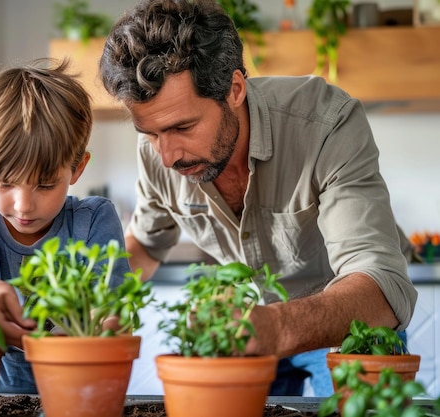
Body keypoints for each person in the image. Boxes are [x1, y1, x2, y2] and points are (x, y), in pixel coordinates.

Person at [99, 0, 418, 396]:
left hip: (340, 321)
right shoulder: (159, 154)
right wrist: (100, 301)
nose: (167, 156)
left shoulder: (326, 123)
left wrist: (275, 327)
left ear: (234, 89)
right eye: (149, 133)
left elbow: (383, 285)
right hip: (248, 330)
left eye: (183, 127)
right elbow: (146, 243)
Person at [0, 58, 131, 394]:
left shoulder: (95, 219)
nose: (23, 205)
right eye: (5, 182)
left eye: (44, 184)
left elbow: (110, 318)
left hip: (79, 392)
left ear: (77, 169)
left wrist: (89, 333)